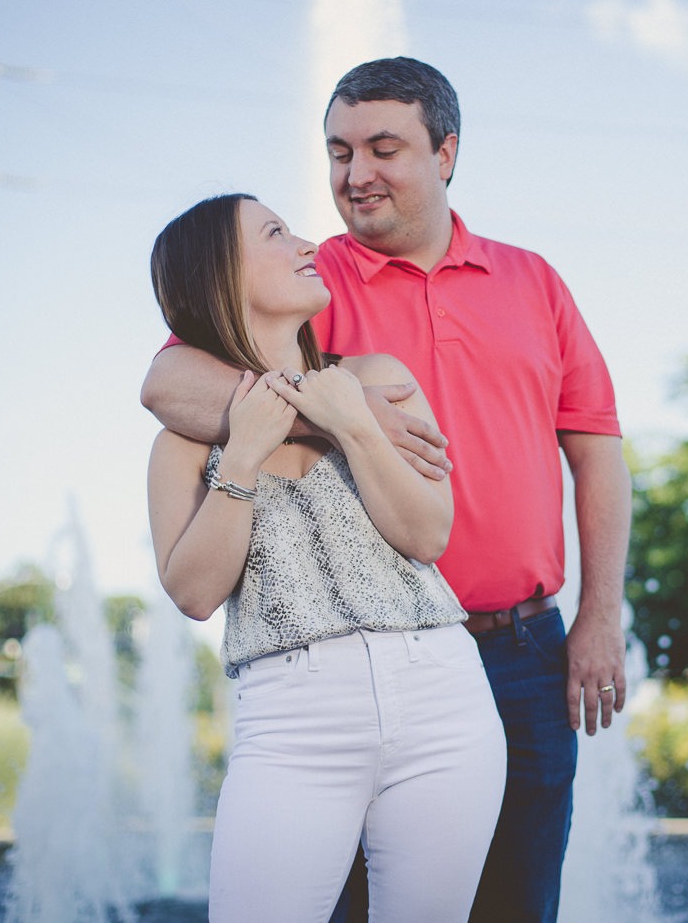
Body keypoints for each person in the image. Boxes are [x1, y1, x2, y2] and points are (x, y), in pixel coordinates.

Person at [142, 57, 632, 922]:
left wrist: (599, 614)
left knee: (517, 904)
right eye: (337, 152)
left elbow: (596, 450)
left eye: (382, 148)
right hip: (349, 660)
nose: (353, 174)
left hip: (521, 650)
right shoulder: (306, 283)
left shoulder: (534, 281)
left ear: (445, 153)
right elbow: (167, 384)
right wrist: (329, 410)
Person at [146, 192, 506, 922]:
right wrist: (241, 456)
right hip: (290, 718)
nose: (309, 241)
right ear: (219, 277)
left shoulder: (382, 382)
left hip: (442, 694)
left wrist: (355, 426)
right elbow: (193, 592)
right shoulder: (183, 438)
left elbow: (427, 535)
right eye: (276, 233)